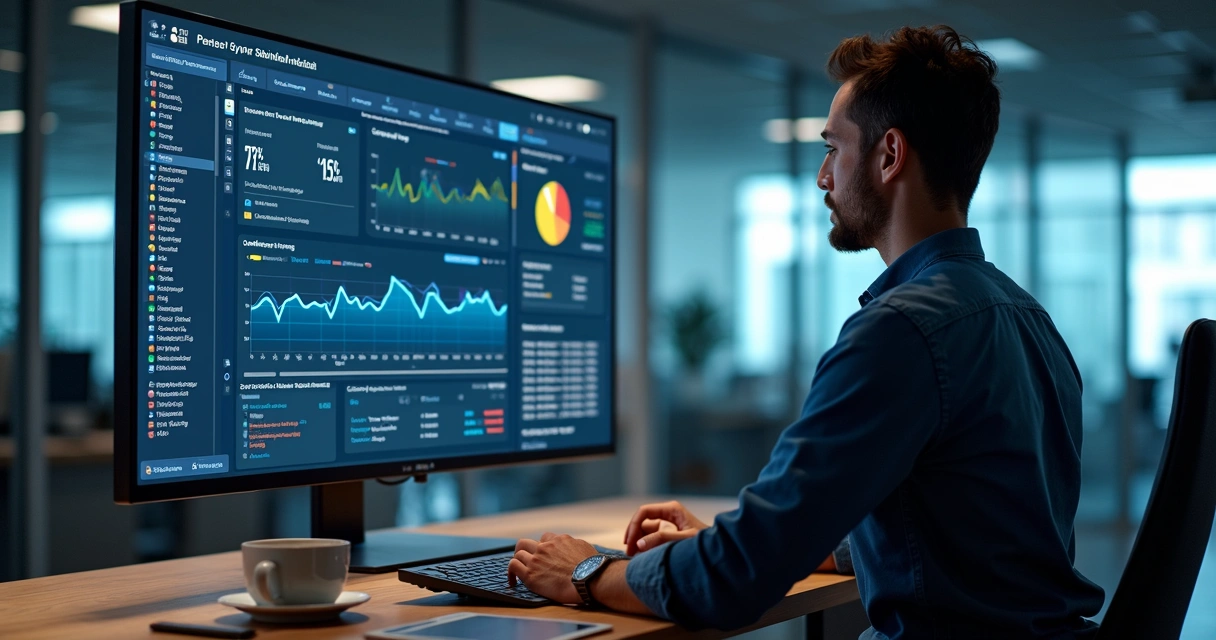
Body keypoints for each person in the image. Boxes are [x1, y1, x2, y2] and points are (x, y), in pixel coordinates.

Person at [507, 25, 1105, 638]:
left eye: (832, 148)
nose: (823, 177)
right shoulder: (1027, 318)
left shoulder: (901, 331)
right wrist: (736, 542)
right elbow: (961, 533)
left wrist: (584, 571)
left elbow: (732, 586)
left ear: (889, 155)